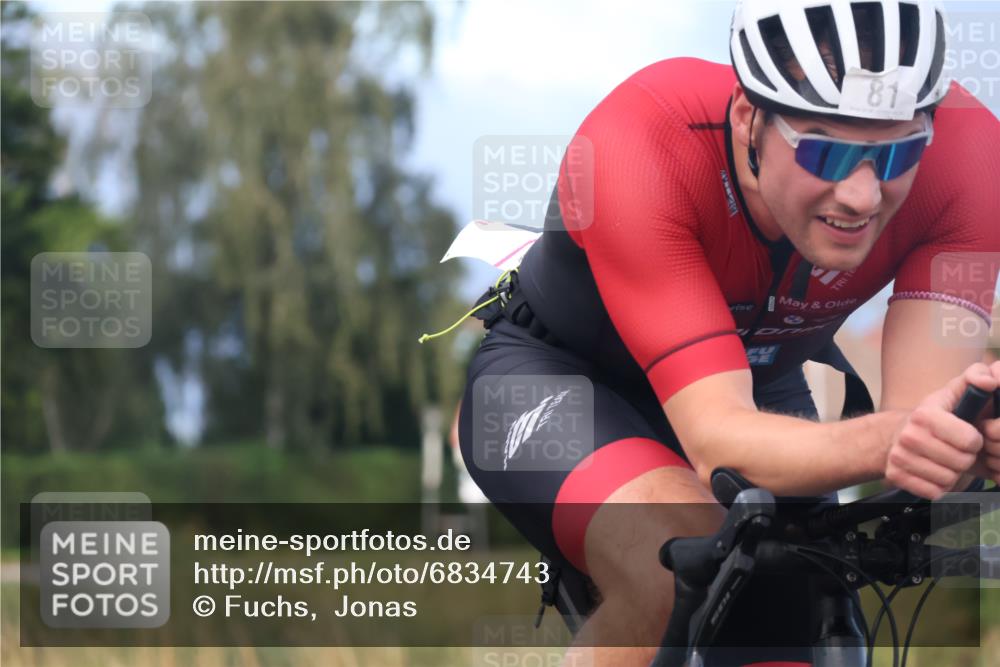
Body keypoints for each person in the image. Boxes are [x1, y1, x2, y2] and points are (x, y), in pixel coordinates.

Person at [456, 1, 1000, 664]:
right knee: (680, 563)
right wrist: (906, 437)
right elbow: (719, 441)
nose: (862, 195)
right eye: (826, 151)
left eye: (898, 154)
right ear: (748, 118)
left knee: (803, 600)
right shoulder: (641, 143)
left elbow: (919, 429)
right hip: (559, 381)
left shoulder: (972, 160)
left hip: (761, 388)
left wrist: (968, 440)